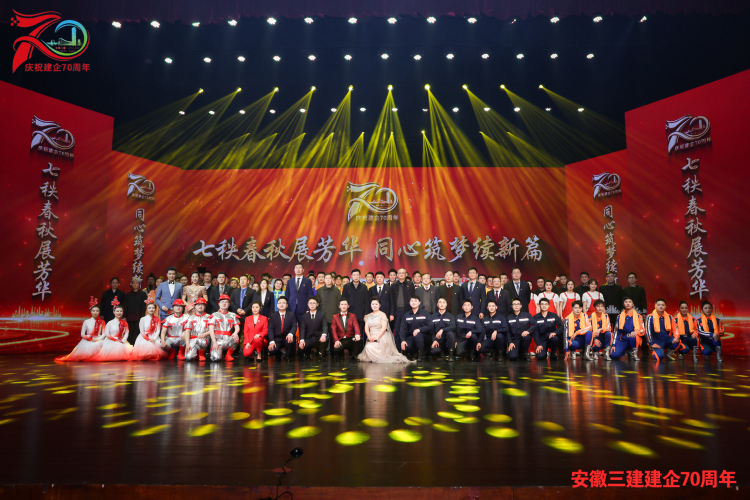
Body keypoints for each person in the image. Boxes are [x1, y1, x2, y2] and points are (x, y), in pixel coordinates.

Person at [359, 297, 413, 364]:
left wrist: (376, 337)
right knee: (368, 347)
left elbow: (384, 328)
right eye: (372, 304)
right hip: (371, 336)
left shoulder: (383, 315)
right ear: (370, 305)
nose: (374, 306)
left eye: (376, 304)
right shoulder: (368, 316)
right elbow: (366, 328)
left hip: (381, 336)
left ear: (380, 305)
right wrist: (369, 337)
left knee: (370, 347)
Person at [398, 296, 432, 361]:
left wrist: (419, 330)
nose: (413, 302)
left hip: (424, 337)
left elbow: (430, 326)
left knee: (418, 335)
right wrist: (403, 340)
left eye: (415, 301)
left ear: (419, 302)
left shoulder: (425, 313)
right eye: (412, 301)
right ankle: (415, 353)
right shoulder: (406, 315)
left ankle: (421, 354)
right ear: (409, 303)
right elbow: (403, 329)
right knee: (406, 347)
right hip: (411, 337)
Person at [209, 294, 240, 361]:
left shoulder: (233, 315)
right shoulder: (214, 315)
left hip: (228, 339)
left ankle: (228, 355)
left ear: (229, 304)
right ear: (219, 303)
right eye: (222, 302)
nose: (224, 303)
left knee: (236, 338)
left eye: (226, 302)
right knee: (216, 359)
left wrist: (235, 333)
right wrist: (214, 342)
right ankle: (218, 352)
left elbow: (237, 327)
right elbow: (211, 329)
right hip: (217, 340)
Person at [390, 268, 415, 348]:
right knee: (397, 331)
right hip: (397, 312)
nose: (401, 274)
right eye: (399, 273)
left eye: (403, 273)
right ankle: (397, 349)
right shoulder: (393, 285)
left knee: (408, 330)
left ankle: (408, 349)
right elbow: (392, 301)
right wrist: (392, 313)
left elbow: (413, 298)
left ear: (406, 274)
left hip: (408, 311)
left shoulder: (410, 284)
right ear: (397, 275)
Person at [268, 296, 298, 361]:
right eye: (280, 303)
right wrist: (272, 341)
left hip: (287, 337)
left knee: (290, 341)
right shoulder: (273, 316)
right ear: (277, 305)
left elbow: (294, 326)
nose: (281, 304)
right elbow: (270, 329)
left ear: (287, 305)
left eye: (284, 303)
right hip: (277, 338)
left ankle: (288, 356)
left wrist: (290, 334)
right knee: (271, 350)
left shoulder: (291, 315)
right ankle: (278, 354)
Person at [231, 275, 253, 345]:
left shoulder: (252, 291)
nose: (242, 281)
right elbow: (231, 301)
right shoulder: (235, 291)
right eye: (241, 280)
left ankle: (247, 347)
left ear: (248, 281)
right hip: (236, 314)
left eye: (244, 279)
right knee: (236, 332)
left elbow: (253, 302)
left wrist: (245, 310)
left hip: (247, 315)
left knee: (247, 332)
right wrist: (237, 309)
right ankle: (235, 349)